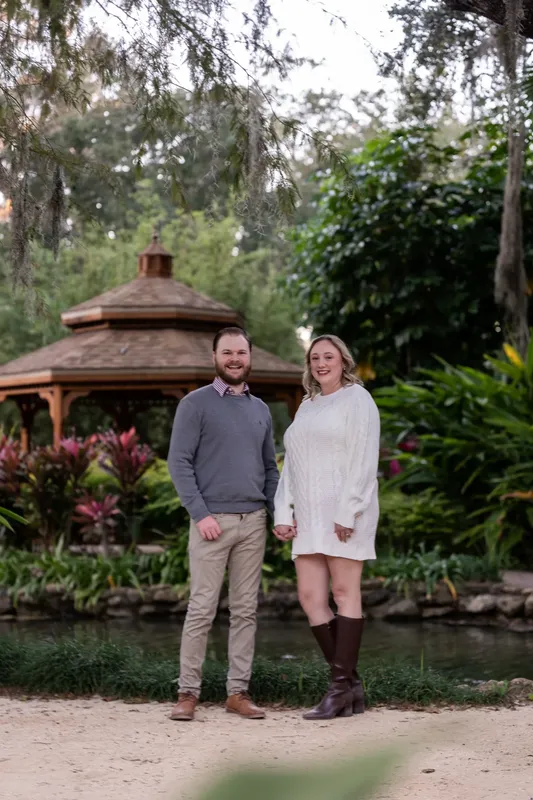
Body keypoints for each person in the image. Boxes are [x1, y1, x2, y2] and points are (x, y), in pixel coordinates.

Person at [167, 326, 279, 721]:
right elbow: (178, 463)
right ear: (214, 357)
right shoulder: (194, 405)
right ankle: (187, 693)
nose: (235, 359)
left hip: (253, 523)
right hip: (211, 523)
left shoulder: (261, 410)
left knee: (246, 610)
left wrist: (277, 514)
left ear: (250, 357)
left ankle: (238, 693)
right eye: (227, 352)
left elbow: (269, 469)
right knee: (201, 609)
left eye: (242, 353)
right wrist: (201, 514)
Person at [273, 334, 380, 721]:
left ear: (343, 361)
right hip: (310, 517)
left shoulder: (358, 400)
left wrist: (348, 511)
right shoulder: (307, 406)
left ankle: (338, 689)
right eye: (315, 357)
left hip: (344, 513)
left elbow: (365, 459)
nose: (321, 363)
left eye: (328, 356)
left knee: (343, 592)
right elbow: (293, 465)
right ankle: (350, 687)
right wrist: (282, 512)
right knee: (310, 598)